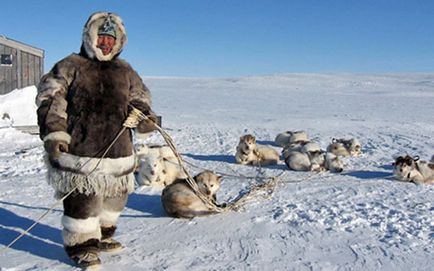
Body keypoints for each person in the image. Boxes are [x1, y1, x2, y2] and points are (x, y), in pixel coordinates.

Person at [36, 12, 157, 268]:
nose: (106, 43)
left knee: (115, 199)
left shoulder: (126, 70)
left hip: (119, 150)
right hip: (81, 150)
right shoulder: (70, 65)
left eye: (111, 39)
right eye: (101, 37)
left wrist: (143, 115)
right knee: (83, 199)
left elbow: (140, 97)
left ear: (119, 42)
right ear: (89, 37)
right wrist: (55, 133)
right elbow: (50, 99)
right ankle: (82, 246)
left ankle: (102, 236)